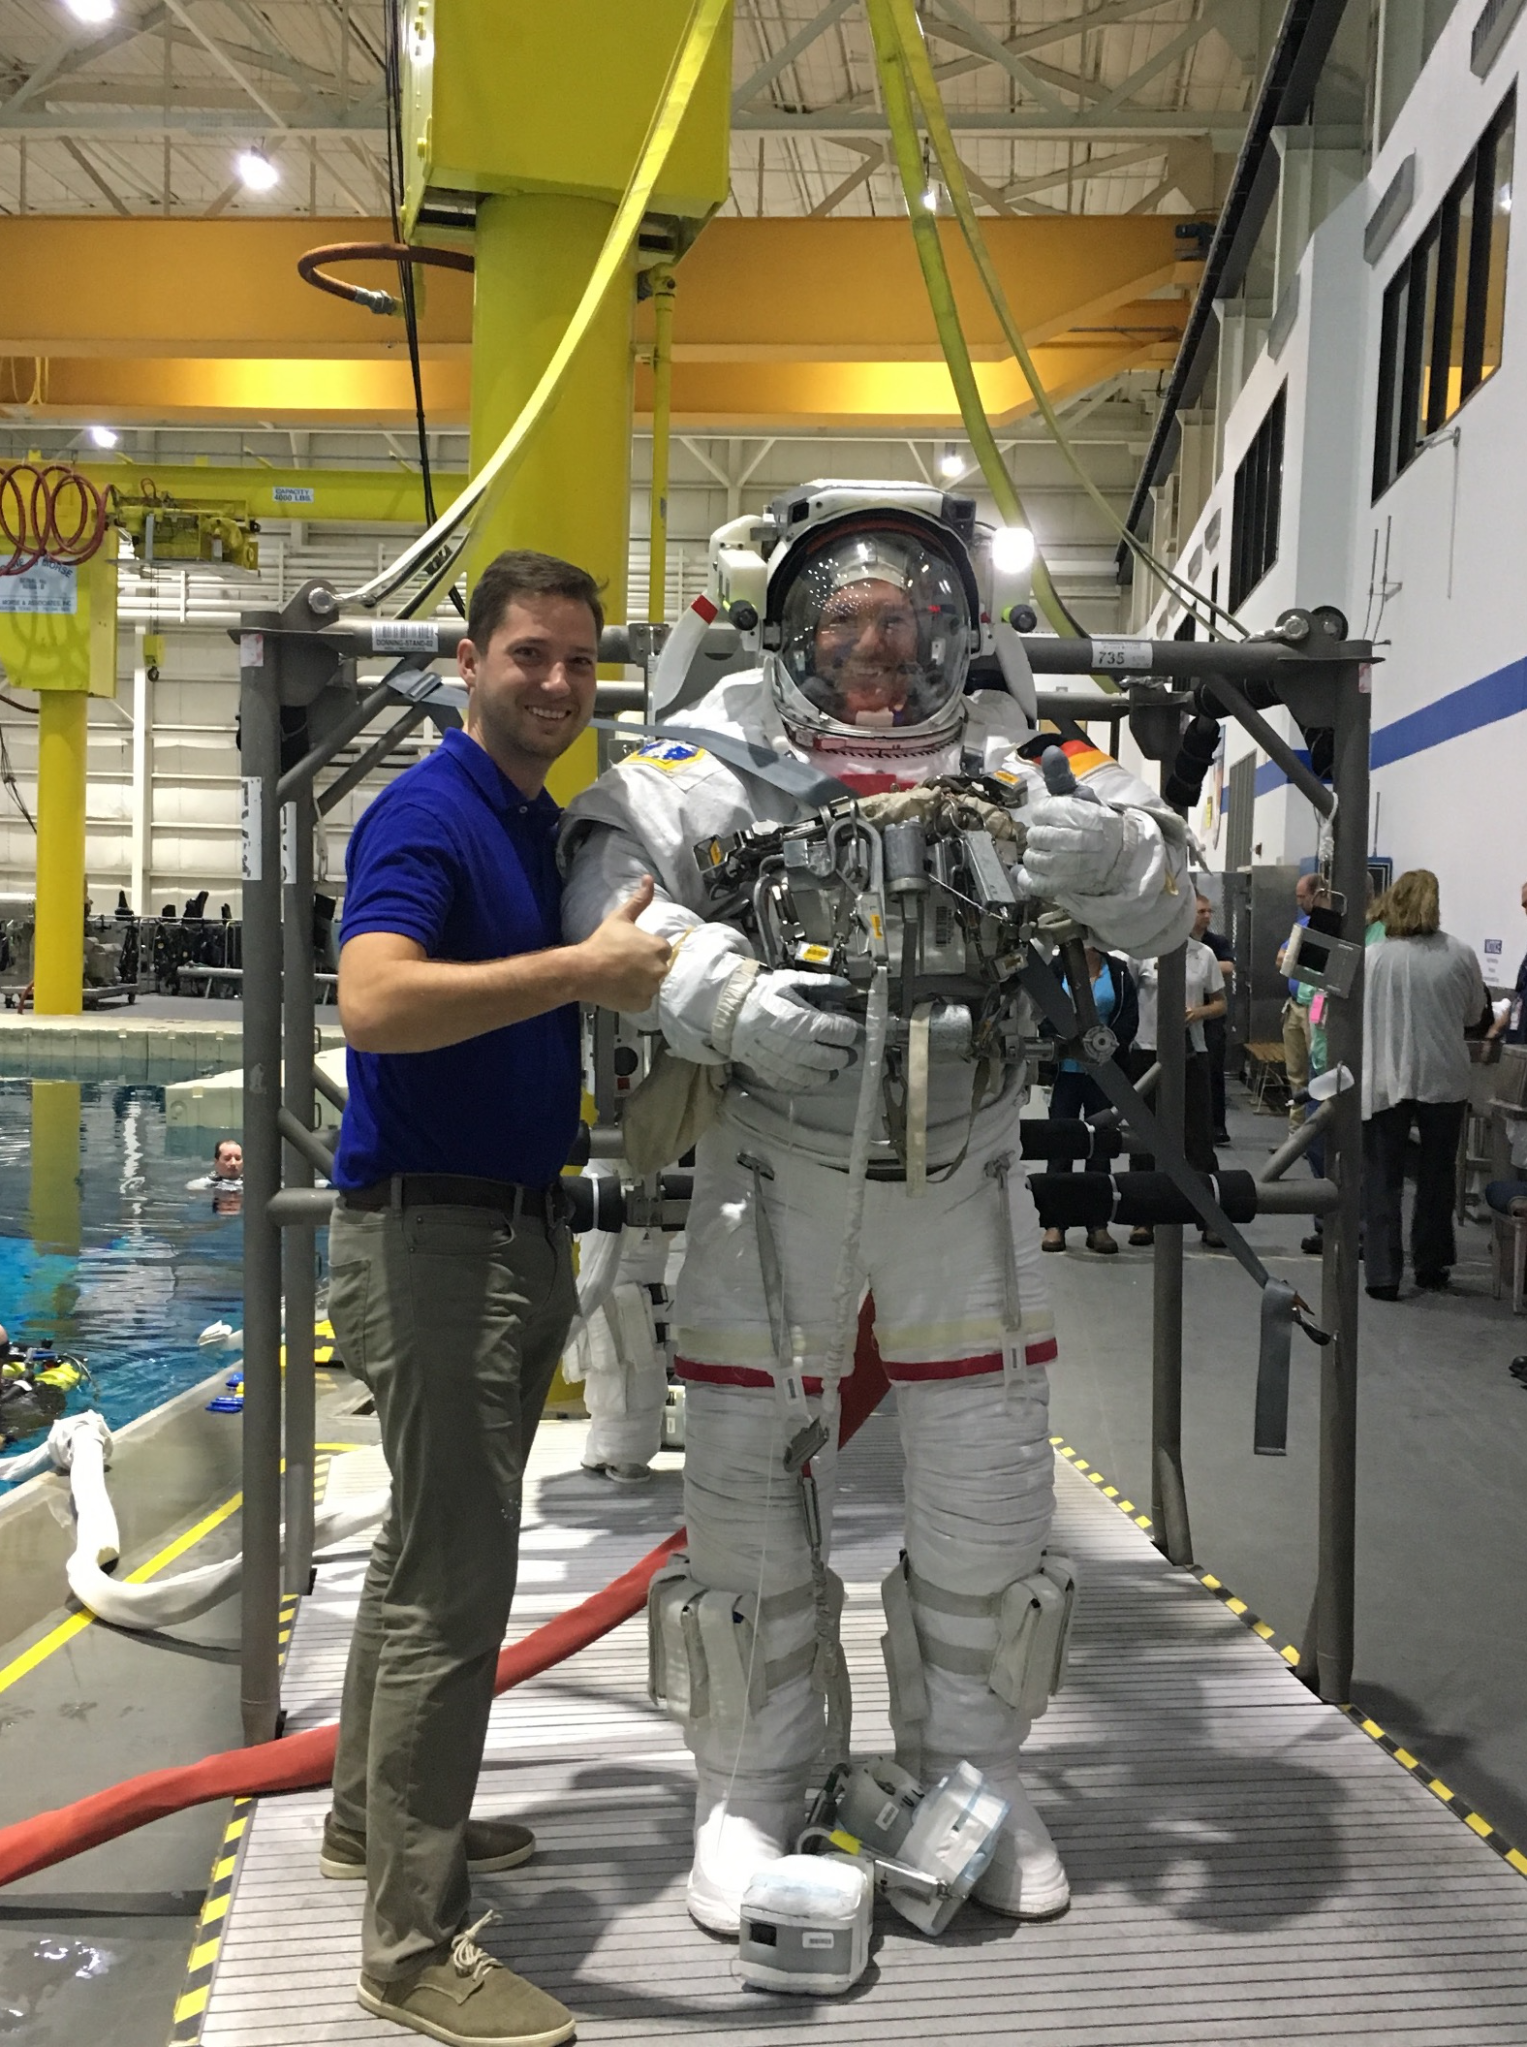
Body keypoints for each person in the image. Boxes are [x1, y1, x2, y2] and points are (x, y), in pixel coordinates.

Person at [561, 483, 1195, 1937]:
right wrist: (720, 996)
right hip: (771, 1173)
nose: (869, 643)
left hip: (964, 1172)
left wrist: (1099, 859)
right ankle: (750, 1780)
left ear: (948, 630)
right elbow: (606, 881)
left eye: (897, 617)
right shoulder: (717, 751)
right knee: (741, 1497)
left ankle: (971, 1770)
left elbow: (1172, 899)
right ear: (787, 626)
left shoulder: (1018, 755)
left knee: (987, 1504)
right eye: (840, 616)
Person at [324, 550, 670, 2047]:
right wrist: (581, 974)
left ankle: (367, 1818)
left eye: (579, 661)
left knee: (423, 1550)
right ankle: (407, 1944)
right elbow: (375, 1000)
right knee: (457, 1587)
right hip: (436, 1242)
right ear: (465, 661)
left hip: (504, 1228)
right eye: (529, 655)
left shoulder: (533, 823)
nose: (555, 684)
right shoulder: (431, 811)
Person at [1362, 868, 1490, 1301]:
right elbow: (1475, 1016)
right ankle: (1431, 1265)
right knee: (1436, 1178)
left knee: (1383, 1178)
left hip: (1384, 1078)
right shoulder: (1460, 954)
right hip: (1444, 1079)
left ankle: (1382, 1273)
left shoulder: (1374, 957)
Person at [1127, 924, 1227, 1248]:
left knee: (1198, 1138)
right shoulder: (1140, 951)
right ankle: (1143, 1217)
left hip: (1190, 1052)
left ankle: (1209, 1218)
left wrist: (1197, 1012)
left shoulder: (1204, 954)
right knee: (1145, 1137)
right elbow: (1127, 998)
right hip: (1146, 1050)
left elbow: (1220, 1003)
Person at [1039, 946, 1138, 1255]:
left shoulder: (1118, 971)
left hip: (1103, 1071)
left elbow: (1128, 1015)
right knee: (1060, 1145)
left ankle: (1098, 1225)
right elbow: (1043, 1012)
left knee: (1101, 1148)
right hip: (1066, 1072)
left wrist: (1107, 1047)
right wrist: (1065, 1044)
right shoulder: (1057, 968)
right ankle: (1055, 1223)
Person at [1277, 871, 1326, 1125]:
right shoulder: (1303, 925)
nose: (1298, 902)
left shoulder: (1328, 928)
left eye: (1302, 896)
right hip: (1295, 1006)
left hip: (1315, 1007)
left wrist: (1297, 961)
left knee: (1317, 1074)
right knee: (1295, 1073)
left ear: (1317, 895)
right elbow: (1280, 958)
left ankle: (1315, 1131)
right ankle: (1296, 1132)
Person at [1193, 892, 1235, 1145]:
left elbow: (1229, 967)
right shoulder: (1180, 944)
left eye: (1210, 911)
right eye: (1202, 912)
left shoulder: (1215, 944)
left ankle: (1216, 1125)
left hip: (1211, 1018)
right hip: (1187, 1017)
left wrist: (1202, 965)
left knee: (1213, 1071)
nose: (1208, 916)